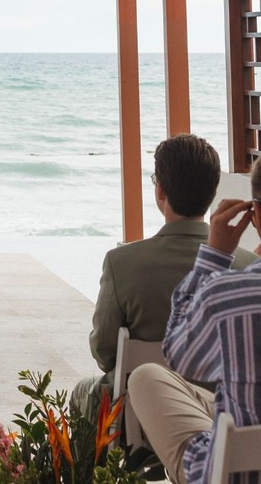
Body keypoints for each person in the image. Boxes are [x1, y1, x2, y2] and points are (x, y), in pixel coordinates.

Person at [71, 134, 255, 417]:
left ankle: (97, 464)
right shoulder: (248, 266)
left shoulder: (121, 263)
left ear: (160, 192)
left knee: (82, 392)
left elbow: (105, 352)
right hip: (220, 413)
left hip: (137, 410)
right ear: (212, 191)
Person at [129, 157, 261, 484]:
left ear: (255, 213)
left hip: (238, 473)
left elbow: (177, 355)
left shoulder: (228, 294)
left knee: (146, 378)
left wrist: (213, 259)